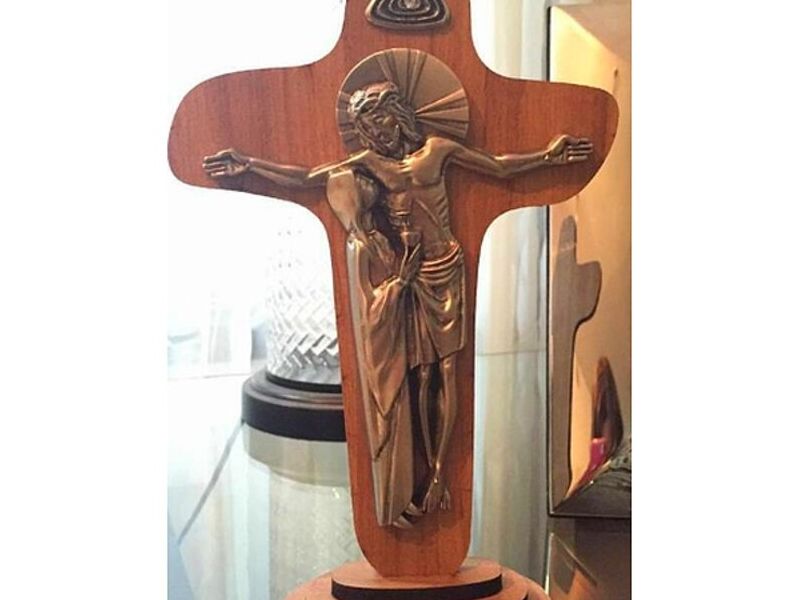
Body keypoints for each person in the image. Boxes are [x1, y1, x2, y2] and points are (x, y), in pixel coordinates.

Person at [203, 81, 592, 527]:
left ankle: (440, 471)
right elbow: (309, 177)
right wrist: (250, 165)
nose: (377, 136)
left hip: (445, 268)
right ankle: (423, 475)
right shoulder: (369, 162)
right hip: (409, 277)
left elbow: (499, 167)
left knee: (448, 370)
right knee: (421, 374)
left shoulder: (438, 150)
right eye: (367, 130)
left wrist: (548, 157)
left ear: (399, 115)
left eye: (380, 123)